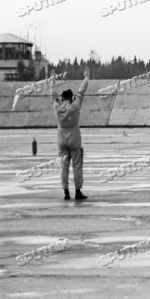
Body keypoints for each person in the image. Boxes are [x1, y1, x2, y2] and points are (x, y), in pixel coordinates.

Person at [49, 67, 90, 200]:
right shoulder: (75, 106)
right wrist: (86, 78)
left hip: (61, 139)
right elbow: (81, 92)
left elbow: (52, 93)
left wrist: (52, 79)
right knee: (77, 164)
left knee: (64, 166)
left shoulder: (57, 106)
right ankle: (78, 191)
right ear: (71, 98)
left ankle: (66, 191)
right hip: (74, 138)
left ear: (62, 98)